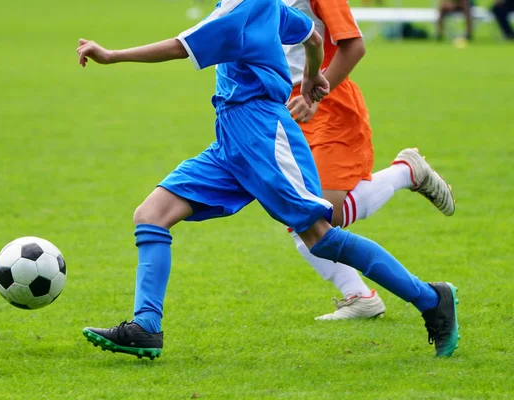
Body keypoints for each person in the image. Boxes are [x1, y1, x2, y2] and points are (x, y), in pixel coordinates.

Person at [76, 0, 460, 360]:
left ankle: (431, 299)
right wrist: (312, 78)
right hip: (231, 138)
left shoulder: (240, 7)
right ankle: (146, 327)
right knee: (152, 213)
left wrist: (112, 55)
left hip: (263, 133)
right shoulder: (267, 4)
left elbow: (180, 46)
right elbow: (311, 35)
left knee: (320, 237)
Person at [282, 0, 456, 320]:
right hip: (284, 106)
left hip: (327, 104)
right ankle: (359, 296)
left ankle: (405, 172)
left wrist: (313, 94)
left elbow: (355, 47)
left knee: (320, 215)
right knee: (294, 212)